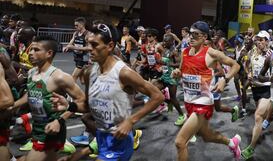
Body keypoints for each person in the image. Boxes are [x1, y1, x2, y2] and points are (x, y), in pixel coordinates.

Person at [52, 23, 164, 161]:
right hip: (100, 137)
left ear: (110, 46)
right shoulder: (89, 73)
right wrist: (70, 106)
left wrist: (130, 121)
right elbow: (88, 107)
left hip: (119, 140)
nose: (89, 49)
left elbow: (158, 96)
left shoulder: (124, 73)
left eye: (94, 45)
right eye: (89, 44)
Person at [173, 21, 241, 161]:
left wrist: (225, 79)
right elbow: (182, 70)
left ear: (204, 37)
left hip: (202, 102)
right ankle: (232, 143)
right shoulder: (185, 52)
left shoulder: (211, 53)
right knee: (206, 136)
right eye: (190, 34)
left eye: (195, 34)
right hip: (189, 100)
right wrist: (177, 73)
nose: (191, 37)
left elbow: (235, 65)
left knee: (180, 142)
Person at [11, 35, 86, 161]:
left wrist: (60, 120)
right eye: (31, 49)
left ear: (49, 53)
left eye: (36, 50)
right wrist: (13, 106)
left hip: (52, 131)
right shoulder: (32, 72)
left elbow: (82, 101)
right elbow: (31, 94)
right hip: (37, 128)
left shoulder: (60, 77)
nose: (31, 53)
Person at [63, 17, 91, 83]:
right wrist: (66, 47)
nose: (75, 27)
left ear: (82, 25)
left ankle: (71, 92)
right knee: (82, 81)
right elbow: (71, 42)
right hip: (77, 56)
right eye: (74, 25)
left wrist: (75, 48)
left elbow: (89, 47)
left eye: (77, 25)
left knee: (73, 77)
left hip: (84, 58)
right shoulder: (75, 33)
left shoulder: (88, 34)